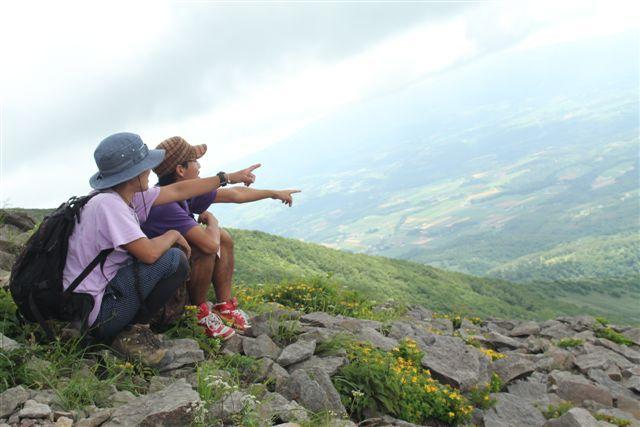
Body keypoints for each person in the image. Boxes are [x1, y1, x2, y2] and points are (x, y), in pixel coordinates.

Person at [63, 132, 260, 364]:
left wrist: (226, 177)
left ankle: (130, 327)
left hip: (82, 305)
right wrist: (173, 234)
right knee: (173, 260)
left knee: (169, 255)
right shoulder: (111, 205)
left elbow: (178, 191)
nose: (150, 171)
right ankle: (133, 334)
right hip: (95, 314)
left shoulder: (117, 196)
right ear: (133, 174)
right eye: (146, 166)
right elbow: (149, 253)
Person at [142, 136, 300, 339]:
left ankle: (224, 307)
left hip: (178, 279)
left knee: (221, 237)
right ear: (180, 170)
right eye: (194, 162)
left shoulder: (182, 192)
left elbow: (234, 194)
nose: (199, 166)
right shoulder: (165, 205)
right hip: (163, 297)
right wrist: (212, 221)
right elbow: (209, 245)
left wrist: (273, 193)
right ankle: (199, 314)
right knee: (206, 245)